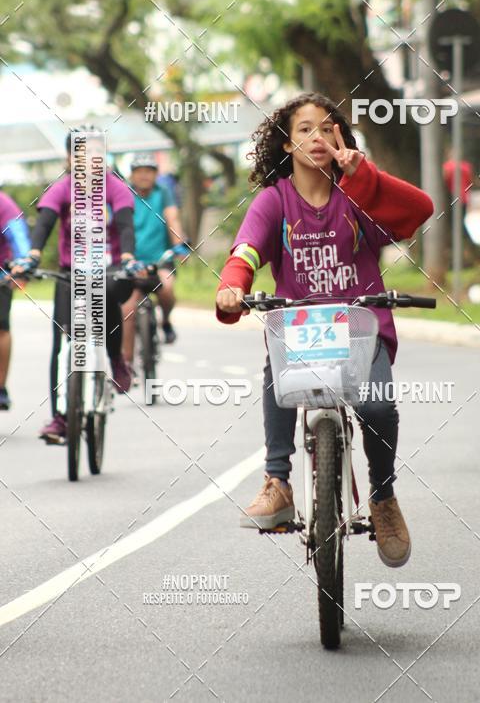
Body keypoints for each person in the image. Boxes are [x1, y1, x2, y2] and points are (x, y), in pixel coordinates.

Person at [215, 91, 433, 568]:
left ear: (341, 137)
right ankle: (277, 483)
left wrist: (362, 175)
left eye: (326, 128)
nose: (317, 137)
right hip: (299, 332)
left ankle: (382, 497)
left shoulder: (357, 196)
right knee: (275, 364)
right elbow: (245, 252)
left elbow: (420, 209)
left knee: (377, 406)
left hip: (361, 328)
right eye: (304, 130)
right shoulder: (274, 202)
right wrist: (233, 286)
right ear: (287, 145)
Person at [12, 127, 141, 443]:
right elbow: (43, 225)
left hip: (110, 268)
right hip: (71, 273)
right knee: (61, 345)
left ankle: (115, 359)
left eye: (97, 153)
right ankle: (59, 417)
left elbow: (124, 225)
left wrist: (127, 257)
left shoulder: (116, 188)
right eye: (83, 154)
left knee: (110, 290)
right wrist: (32, 255)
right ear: (70, 158)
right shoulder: (60, 189)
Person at [121, 155, 188, 366]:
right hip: (132, 263)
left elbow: (173, 218)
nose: (144, 175)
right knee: (127, 310)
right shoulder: (124, 194)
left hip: (160, 261)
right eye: (139, 171)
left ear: (156, 174)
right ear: (131, 175)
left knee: (167, 288)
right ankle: (127, 364)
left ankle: (166, 322)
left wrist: (180, 245)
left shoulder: (163, 193)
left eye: (149, 170)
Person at [0, 191, 32, 409]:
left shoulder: (3, 202)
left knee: (1, 328)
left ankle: (0, 386)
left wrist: (23, 263)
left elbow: (18, 233)